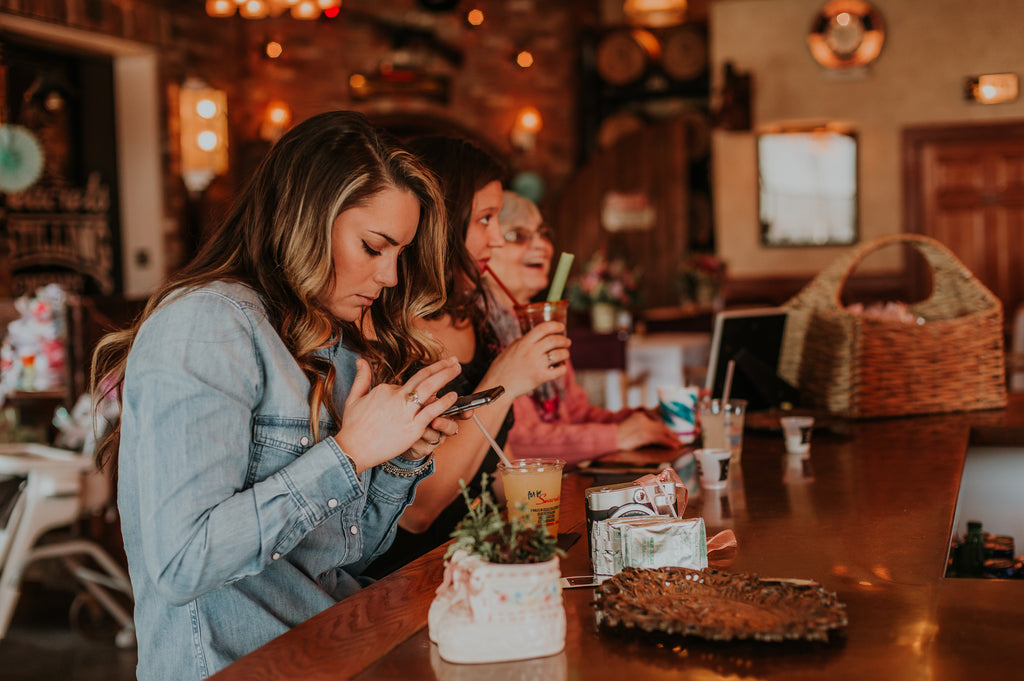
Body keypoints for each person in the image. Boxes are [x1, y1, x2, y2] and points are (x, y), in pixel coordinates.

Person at [90, 111, 465, 680]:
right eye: (373, 246)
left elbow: (340, 558)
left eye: (400, 254)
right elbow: (182, 563)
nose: (390, 275)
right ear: (308, 220)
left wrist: (399, 459)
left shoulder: (324, 342)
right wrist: (350, 454)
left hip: (334, 651)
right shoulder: (207, 324)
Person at [365, 137, 571, 576]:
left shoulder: (473, 318)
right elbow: (417, 513)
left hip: (483, 561)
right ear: (443, 218)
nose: (495, 239)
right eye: (485, 219)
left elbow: (492, 466)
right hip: (414, 575)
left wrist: (546, 507)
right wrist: (505, 380)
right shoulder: (390, 330)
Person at [485, 191, 679, 464]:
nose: (542, 245)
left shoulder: (534, 321)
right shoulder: (479, 330)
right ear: (484, 245)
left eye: (542, 233)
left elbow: (573, 414)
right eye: (518, 235)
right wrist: (618, 435)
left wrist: (641, 420)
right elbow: (513, 442)